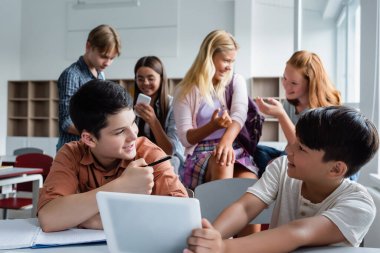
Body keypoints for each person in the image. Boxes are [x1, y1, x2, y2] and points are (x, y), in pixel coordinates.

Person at [185, 106, 379, 253]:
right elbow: (245, 208)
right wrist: (212, 238)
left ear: (336, 169)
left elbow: (299, 232)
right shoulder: (282, 168)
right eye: (294, 142)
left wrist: (223, 248)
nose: (288, 150)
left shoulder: (360, 205)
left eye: (301, 148)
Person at [38, 80, 188, 232]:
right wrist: (121, 186)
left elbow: (183, 215)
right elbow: (49, 218)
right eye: (120, 132)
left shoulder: (149, 154)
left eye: (133, 123)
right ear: (89, 139)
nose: (133, 136)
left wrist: (96, 220)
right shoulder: (71, 154)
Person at [173, 30, 258, 190]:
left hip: (233, 146)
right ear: (209, 56)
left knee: (249, 185)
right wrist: (213, 125)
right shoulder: (185, 90)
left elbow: (239, 115)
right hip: (201, 152)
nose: (229, 67)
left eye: (233, 61)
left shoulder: (236, 81)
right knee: (223, 161)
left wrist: (225, 143)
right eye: (226, 60)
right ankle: (216, 215)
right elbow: (185, 139)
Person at [254, 50, 342, 175]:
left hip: (320, 161)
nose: (286, 86)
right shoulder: (289, 104)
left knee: (274, 167)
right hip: (298, 153)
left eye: (294, 83)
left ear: (310, 84)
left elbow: (301, 146)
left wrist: (281, 115)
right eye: (284, 78)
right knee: (255, 152)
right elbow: (292, 145)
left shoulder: (322, 111)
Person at [56, 24, 121, 151]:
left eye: (112, 58)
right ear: (88, 46)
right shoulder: (72, 75)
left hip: (92, 148)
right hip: (72, 151)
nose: (107, 63)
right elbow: (66, 122)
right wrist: (99, 134)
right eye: (103, 56)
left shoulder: (101, 75)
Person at [133, 56, 185, 173]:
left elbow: (169, 151)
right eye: (140, 79)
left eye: (151, 78)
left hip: (166, 159)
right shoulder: (131, 106)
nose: (145, 83)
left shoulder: (173, 106)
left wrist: (153, 122)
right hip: (140, 157)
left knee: (172, 162)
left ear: (161, 79)